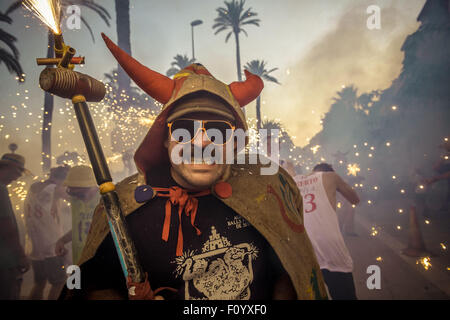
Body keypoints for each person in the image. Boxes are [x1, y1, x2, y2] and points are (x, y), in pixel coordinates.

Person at [61, 33, 328, 300]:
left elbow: (291, 274)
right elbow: (95, 285)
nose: (201, 142)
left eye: (217, 131)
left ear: (235, 141)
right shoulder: (123, 205)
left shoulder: (268, 188)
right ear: (165, 139)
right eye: (185, 128)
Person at [294, 163, 360, 300]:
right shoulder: (331, 176)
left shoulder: (295, 179)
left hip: (304, 249)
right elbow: (355, 199)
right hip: (330, 247)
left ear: (313, 171)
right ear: (328, 171)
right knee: (344, 295)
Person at [24, 166, 69, 300]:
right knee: (59, 282)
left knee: (39, 283)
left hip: (35, 246)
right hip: (51, 246)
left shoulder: (34, 187)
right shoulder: (54, 188)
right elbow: (76, 197)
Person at [0, 153, 30, 299]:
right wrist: (20, 255)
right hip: (5, 261)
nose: (18, 176)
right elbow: (5, 226)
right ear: (7, 167)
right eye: (18, 171)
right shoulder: (0, 189)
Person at [55, 166, 99, 265]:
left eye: (80, 194)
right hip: (80, 261)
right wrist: (62, 241)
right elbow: (79, 228)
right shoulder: (75, 201)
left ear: (91, 187)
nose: (75, 197)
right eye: (71, 192)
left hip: (101, 260)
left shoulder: (104, 200)